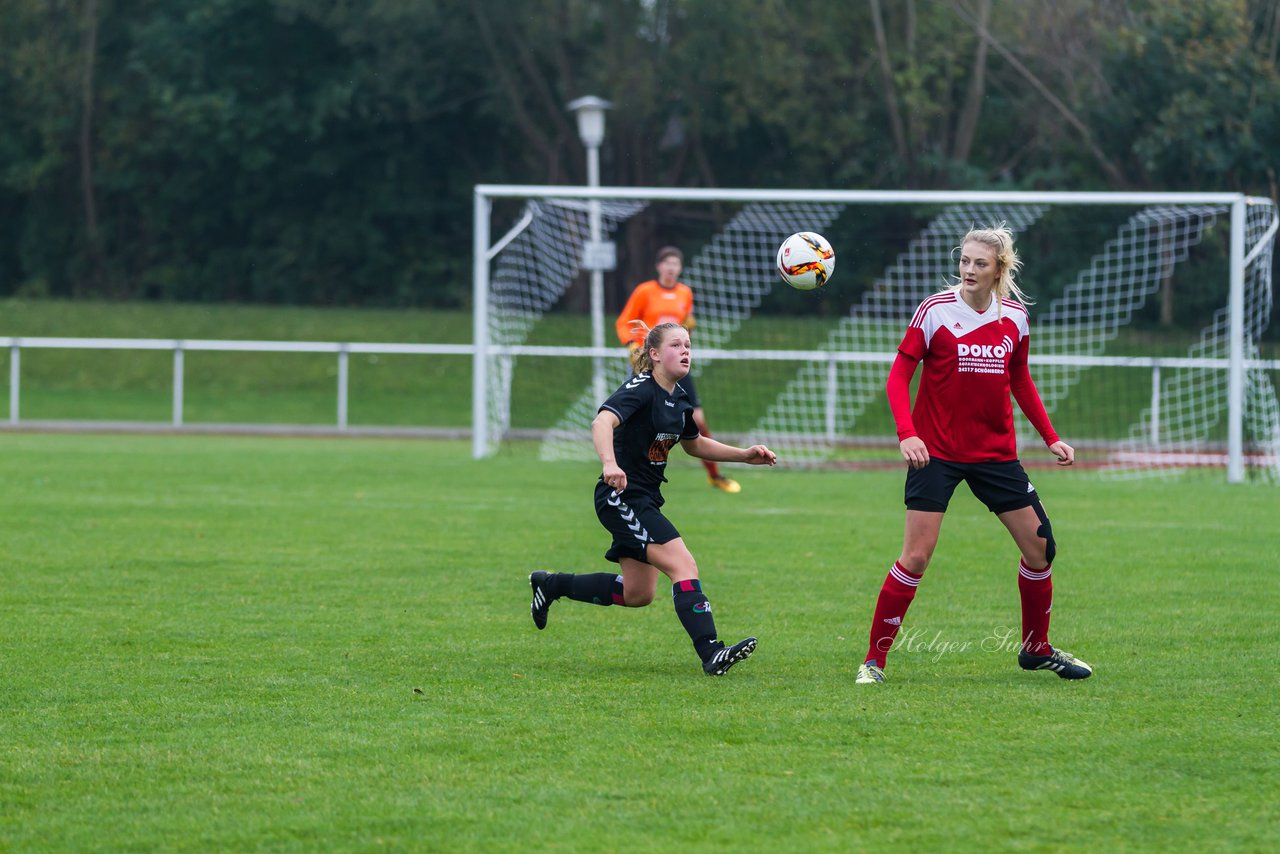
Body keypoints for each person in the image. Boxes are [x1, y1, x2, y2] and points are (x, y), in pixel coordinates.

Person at [854, 224, 1092, 685]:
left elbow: (1019, 380)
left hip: (995, 454)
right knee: (916, 557)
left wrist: (1050, 436)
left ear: (998, 269)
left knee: (1041, 550)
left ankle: (1036, 649)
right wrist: (907, 433)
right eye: (964, 261)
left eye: (979, 263)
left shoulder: (1017, 318)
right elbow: (898, 375)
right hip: (935, 453)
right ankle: (873, 661)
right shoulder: (936, 311)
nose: (968, 269)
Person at [528, 321, 778, 676]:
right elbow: (602, 422)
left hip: (644, 498)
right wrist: (610, 462)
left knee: (637, 593)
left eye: (688, 345)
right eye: (676, 345)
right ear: (655, 355)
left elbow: (693, 444)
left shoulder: (678, 398)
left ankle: (549, 584)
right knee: (683, 565)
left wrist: (745, 455)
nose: (686, 350)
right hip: (621, 496)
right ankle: (712, 653)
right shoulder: (641, 389)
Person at [615, 246, 742, 493]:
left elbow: (686, 325)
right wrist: (632, 345)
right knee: (632, 418)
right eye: (667, 263)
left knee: (699, 420)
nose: (671, 268)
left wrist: (688, 329)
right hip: (650, 363)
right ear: (659, 266)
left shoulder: (685, 293)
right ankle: (622, 469)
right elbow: (624, 322)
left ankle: (715, 475)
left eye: (676, 263)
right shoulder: (645, 291)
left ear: (680, 268)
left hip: (677, 366)